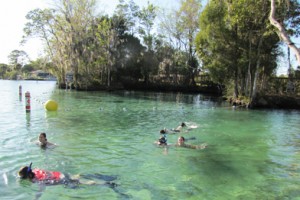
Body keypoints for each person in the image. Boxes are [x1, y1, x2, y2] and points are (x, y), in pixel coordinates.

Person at [18, 163, 117, 187]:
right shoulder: (35, 170)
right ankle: (101, 177)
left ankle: (106, 184)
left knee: (82, 182)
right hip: (61, 174)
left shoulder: (34, 180)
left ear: (26, 176)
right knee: (78, 176)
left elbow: (47, 182)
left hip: (61, 180)